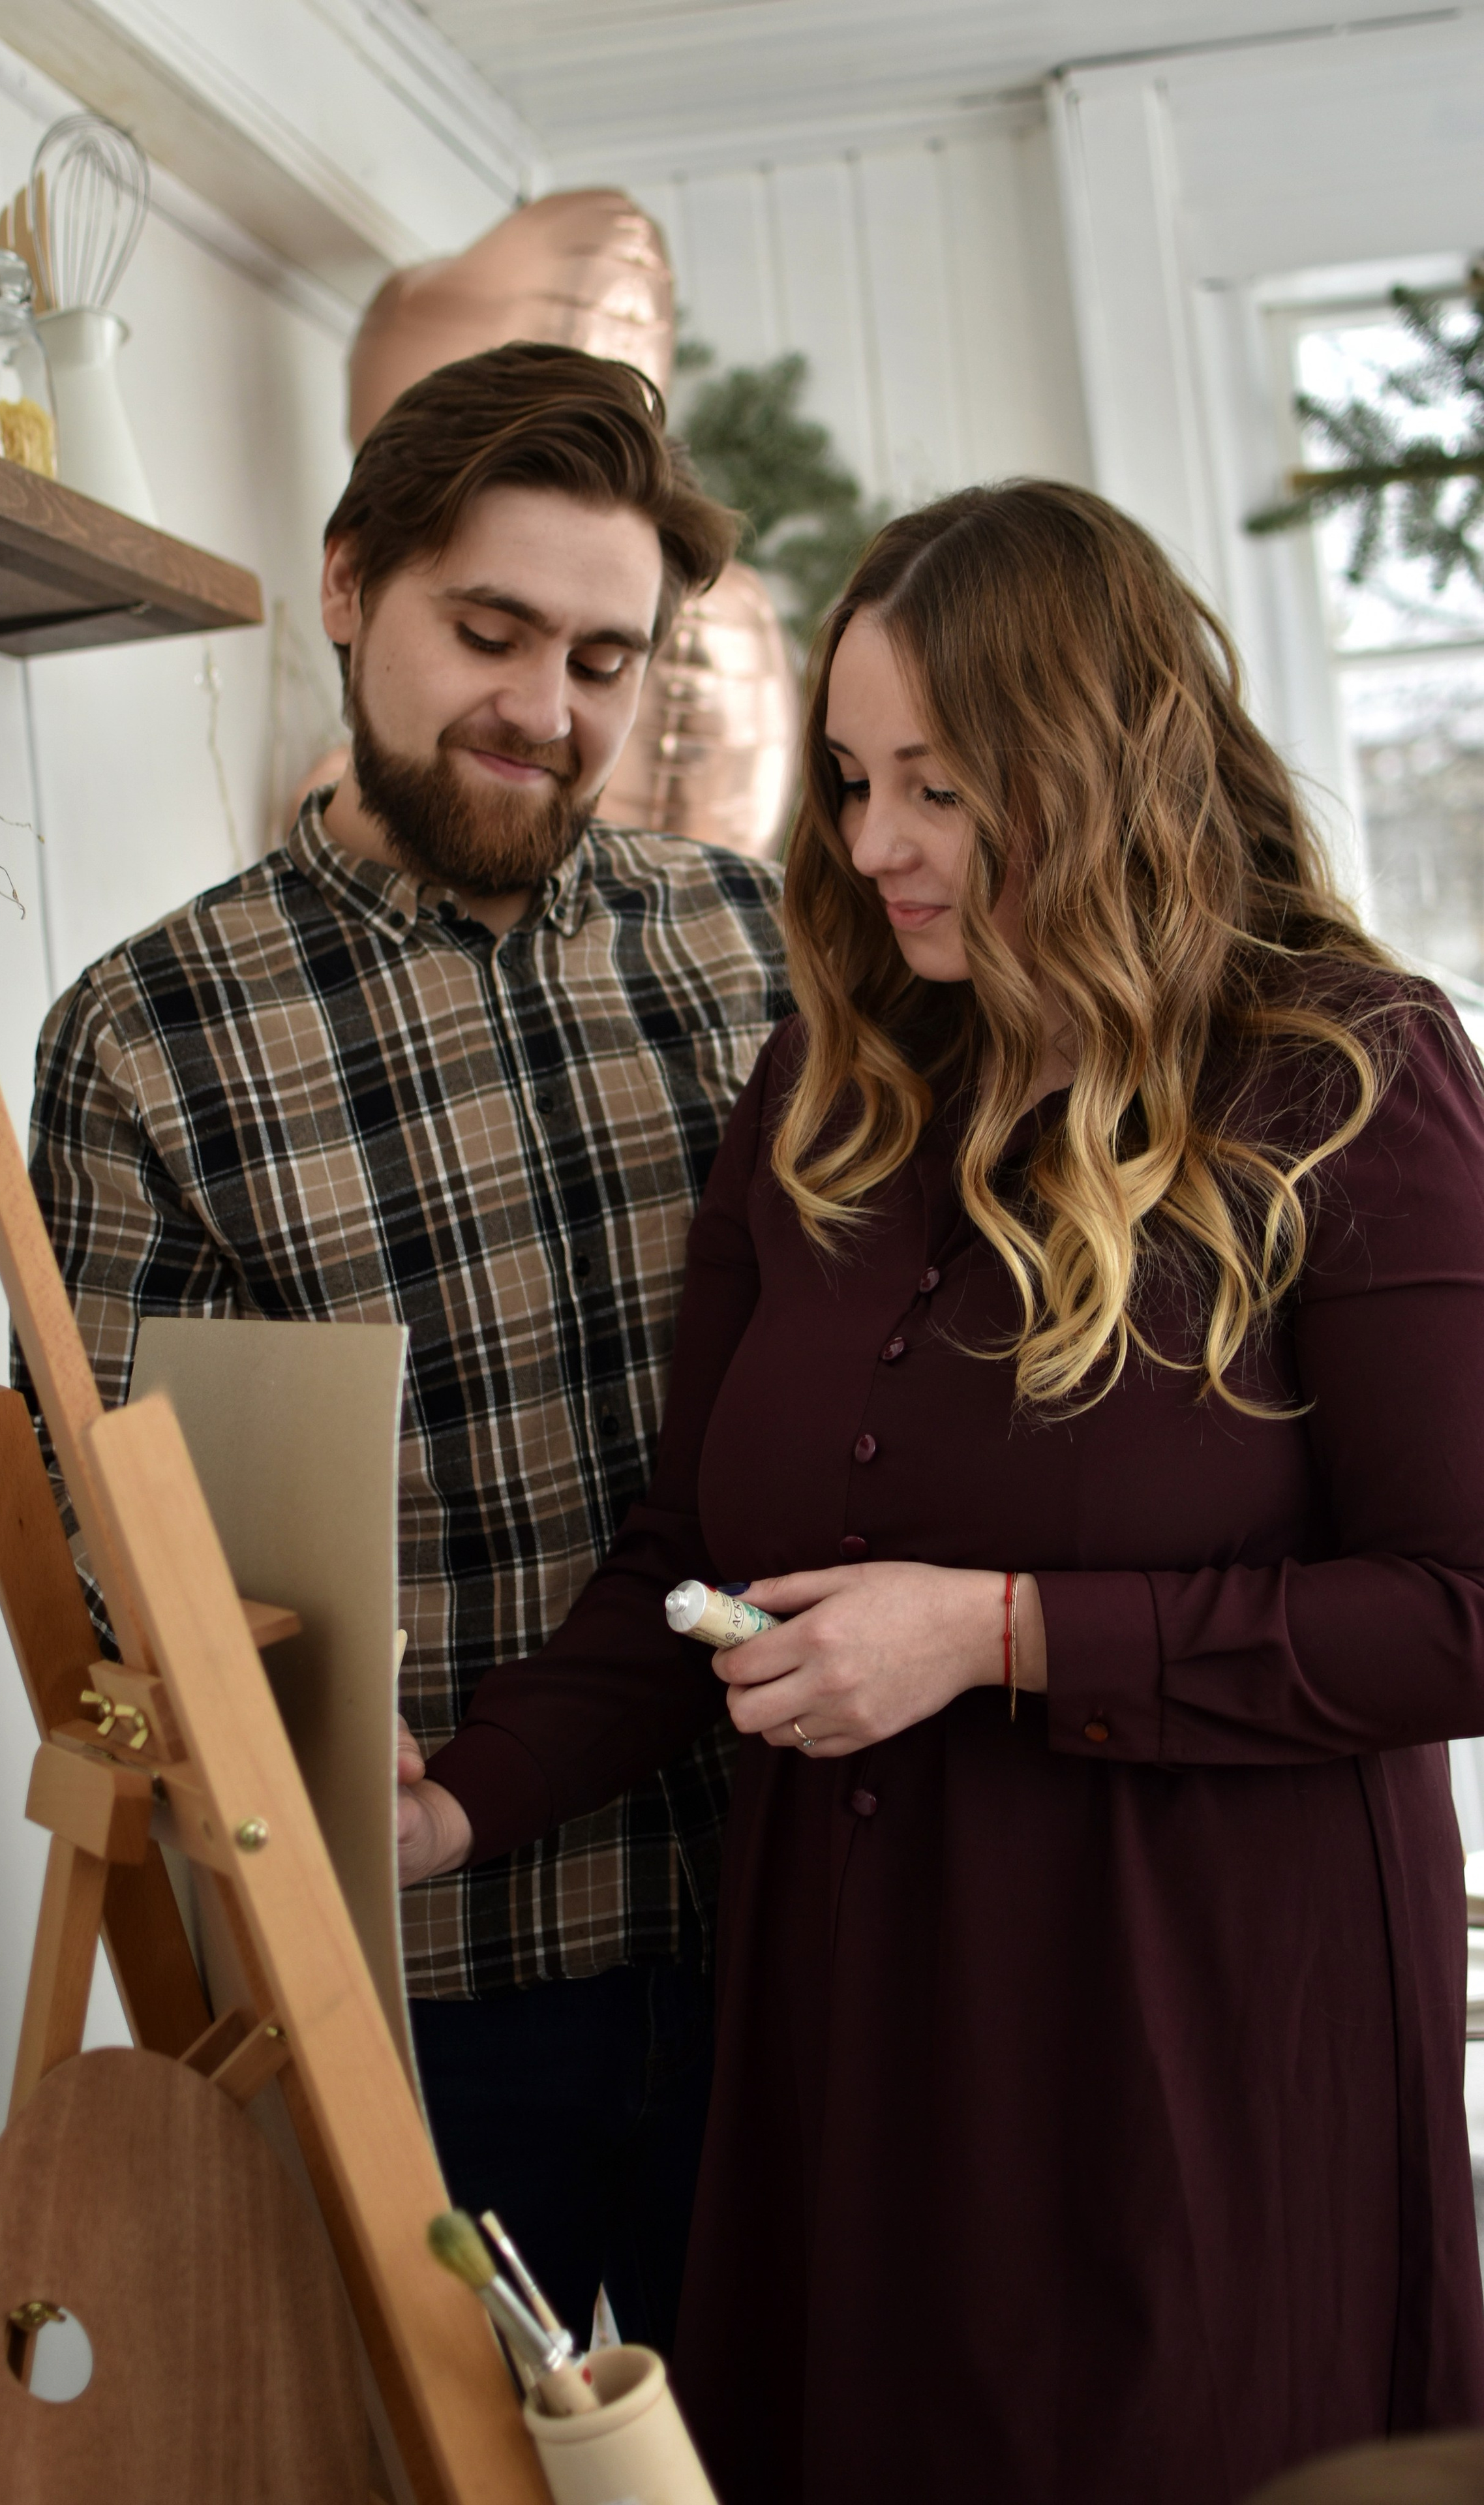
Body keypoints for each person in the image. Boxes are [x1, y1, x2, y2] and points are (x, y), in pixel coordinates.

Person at [399, 481, 1484, 2502]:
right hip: (860, 2029)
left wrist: (997, 1633)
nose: (879, 843)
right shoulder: (831, 1083)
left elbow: (1462, 1605)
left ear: (1100, 771)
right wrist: (455, 1802)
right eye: (854, 778)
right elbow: (691, 1570)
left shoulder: (1347, 1075)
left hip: (1204, 2040)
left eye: (947, 788)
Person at [23, 342, 791, 2353]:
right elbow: (115, 1528)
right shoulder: (148, 1036)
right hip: (438, 1984)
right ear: (354, 585)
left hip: (795, 1935)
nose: (547, 712)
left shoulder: (756, 948)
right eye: (492, 630)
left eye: (608, 661)